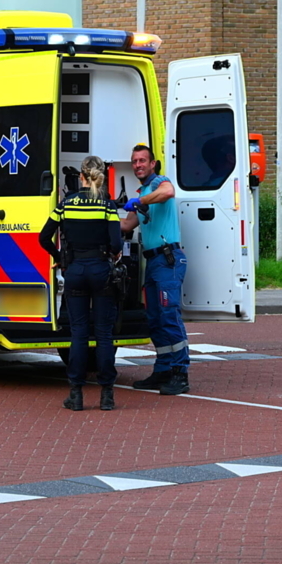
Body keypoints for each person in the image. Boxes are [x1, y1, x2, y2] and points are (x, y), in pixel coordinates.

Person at [39, 155, 122, 411]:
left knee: (78, 333)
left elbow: (43, 237)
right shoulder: (107, 206)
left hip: (75, 269)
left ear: (81, 176)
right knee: (104, 333)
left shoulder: (66, 204)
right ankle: (107, 395)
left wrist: (59, 258)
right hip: (100, 270)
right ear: (101, 177)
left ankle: (75, 394)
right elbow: (116, 243)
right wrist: (110, 253)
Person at [120, 144, 190, 395]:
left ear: (152, 164)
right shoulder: (142, 191)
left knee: (169, 316)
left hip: (167, 260)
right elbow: (126, 226)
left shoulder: (159, 182)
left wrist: (139, 201)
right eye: (134, 161)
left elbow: (168, 192)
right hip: (153, 263)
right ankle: (163, 370)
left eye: (142, 160)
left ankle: (180, 373)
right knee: (155, 318)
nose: (138, 165)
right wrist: (101, 213)